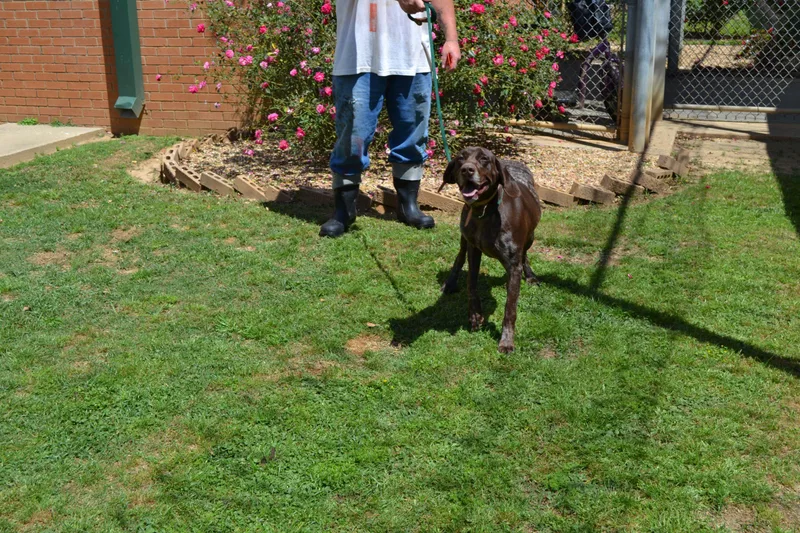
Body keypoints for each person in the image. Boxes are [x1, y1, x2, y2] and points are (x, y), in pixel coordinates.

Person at [319, 0, 461, 238]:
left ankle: (408, 206)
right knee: (353, 137)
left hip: (413, 56)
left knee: (413, 133)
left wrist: (451, 38)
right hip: (359, 56)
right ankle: (344, 210)